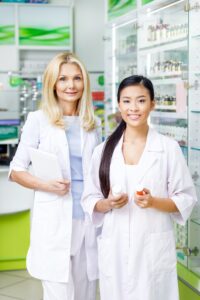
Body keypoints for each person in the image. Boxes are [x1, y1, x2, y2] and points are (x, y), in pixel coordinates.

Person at [82, 75, 197, 300]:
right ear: (118, 104)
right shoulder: (103, 151)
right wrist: (108, 203)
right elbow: (89, 198)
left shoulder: (168, 148)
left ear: (152, 104)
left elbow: (186, 198)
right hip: (115, 246)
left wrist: (154, 202)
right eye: (126, 101)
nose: (133, 108)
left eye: (141, 101)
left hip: (152, 249)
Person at [9, 52, 101, 300]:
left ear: (85, 83)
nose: (71, 85)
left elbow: (98, 170)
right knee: (59, 292)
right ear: (52, 83)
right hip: (55, 217)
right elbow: (16, 170)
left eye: (77, 78)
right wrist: (45, 184)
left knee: (86, 291)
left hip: (88, 216)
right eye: (63, 79)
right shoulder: (38, 120)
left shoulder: (93, 123)